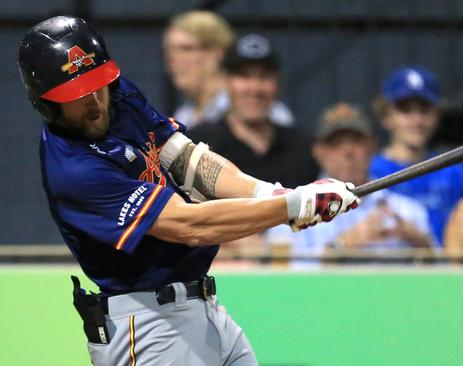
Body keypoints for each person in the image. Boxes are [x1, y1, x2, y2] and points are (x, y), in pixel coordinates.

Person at [18, 16, 359, 365]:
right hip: (148, 325)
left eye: (97, 84)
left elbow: (187, 159)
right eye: (77, 94)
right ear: (46, 102)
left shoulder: (117, 97)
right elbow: (192, 226)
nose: (94, 102)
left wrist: (268, 194)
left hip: (203, 305)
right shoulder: (74, 170)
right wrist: (290, 207)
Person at [266, 103, 433, 267]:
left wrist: (424, 247)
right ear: (318, 151)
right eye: (336, 143)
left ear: (372, 147)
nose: (347, 151)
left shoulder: (409, 212)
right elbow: (285, 286)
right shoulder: (291, 214)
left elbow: (441, 278)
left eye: (356, 141)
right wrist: (340, 246)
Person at [186, 33, 318, 188]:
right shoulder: (201, 145)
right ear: (226, 81)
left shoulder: (303, 148)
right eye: (244, 76)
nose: (254, 89)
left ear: (278, 83)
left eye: (264, 77)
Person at [369, 65, 463, 246]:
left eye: (424, 110)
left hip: (445, 269)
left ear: (437, 115)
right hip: (387, 268)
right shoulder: (370, 171)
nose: (417, 120)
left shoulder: (455, 172)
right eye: (405, 110)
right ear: (386, 117)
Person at [163, 11, 294, 128]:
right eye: (169, 51)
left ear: (217, 53)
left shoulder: (263, 109)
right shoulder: (184, 115)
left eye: (185, 49)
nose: (172, 58)